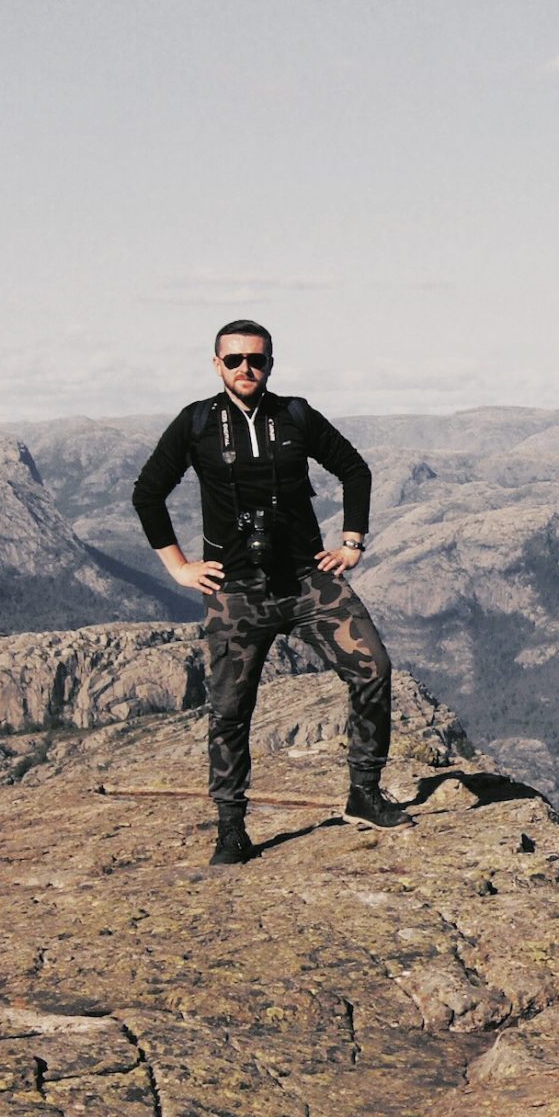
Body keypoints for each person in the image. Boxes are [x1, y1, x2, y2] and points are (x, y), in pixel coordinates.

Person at [131, 320, 401, 864]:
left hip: (308, 580)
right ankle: (231, 827)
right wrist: (179, 568)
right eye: (234, 360)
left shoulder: (295, 414)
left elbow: (354, 470)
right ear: (217, 366)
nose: (245, 368)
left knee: (372, 669)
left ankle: (364, 794)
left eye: (255, 359)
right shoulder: (197, 423)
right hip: (237, 590)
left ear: (271, 363)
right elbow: (148, 494)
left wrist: (352, 542)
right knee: (230, 708)